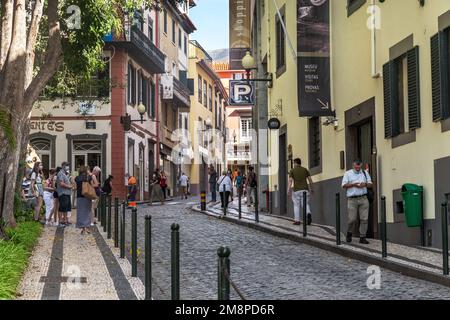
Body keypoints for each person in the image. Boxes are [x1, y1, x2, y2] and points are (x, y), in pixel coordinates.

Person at [342, 159, 373, 245]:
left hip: (363, 198)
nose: (357, 168)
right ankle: (349, 233)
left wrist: (365, 184)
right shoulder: (348, 173)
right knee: (352, 219)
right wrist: (354, 184)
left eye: (359, 166)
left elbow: (371, 184)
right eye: (356, 166)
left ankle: (362, 237)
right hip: (352, 199)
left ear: (361, 165)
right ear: (353, 165)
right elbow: (344, 185)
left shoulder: (364, 173)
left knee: (364, 219)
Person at [288, 158, 314, 226]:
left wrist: (289, 190)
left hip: (296, 190)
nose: (293, 164)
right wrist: (312, 188)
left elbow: (290, 181)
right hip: (305, 190)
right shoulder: (305, 169)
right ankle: (308, 213)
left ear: (296, 163)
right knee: (305, 204)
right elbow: (310, 180)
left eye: (294, 163)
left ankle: (297, 220)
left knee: (296, 205)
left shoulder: (292, 170)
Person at [75, 166, 94, 234]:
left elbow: (76, 187)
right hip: (87, 196)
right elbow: (93, 185)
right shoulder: (89, 177)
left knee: (80, 212)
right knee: (88, 211)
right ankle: (88, 228)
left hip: (79, 196)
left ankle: (83, 228)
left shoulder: (77, 178)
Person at [56, 162, 72, 227]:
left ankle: (65, 221)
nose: (67, 167)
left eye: (68, 165)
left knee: (66, 208)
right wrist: (69, 186)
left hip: (67, 193)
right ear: (63, 166)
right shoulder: (60, 173)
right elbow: (61, 183)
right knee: (62, 207)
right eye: (66, 165)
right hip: (63, 193)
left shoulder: (65, 173)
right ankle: (60, 222)